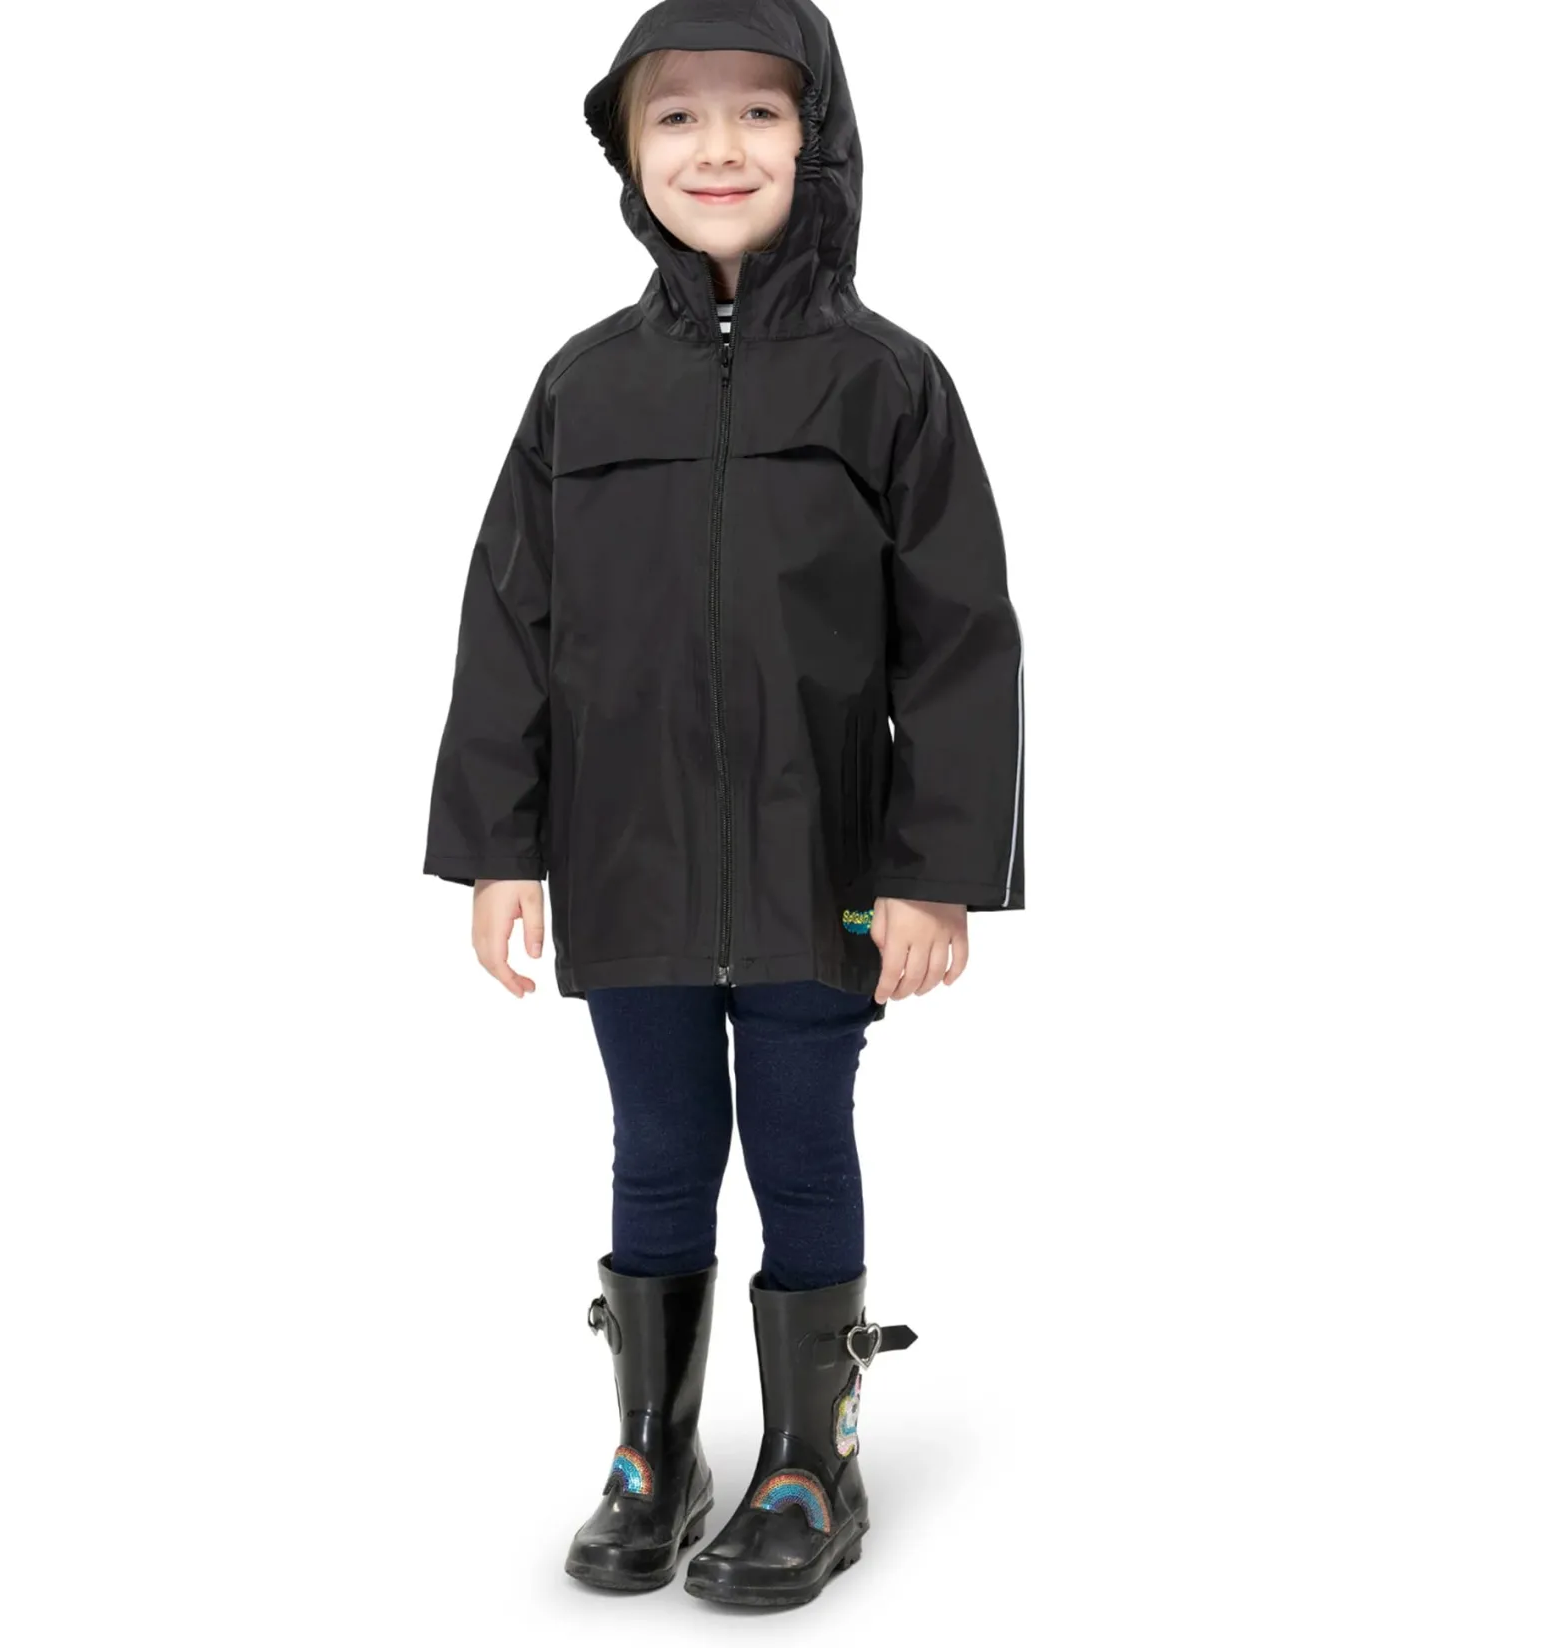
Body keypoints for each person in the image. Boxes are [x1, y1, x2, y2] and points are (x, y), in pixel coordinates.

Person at [423, 0, 1023, 1609]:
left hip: (821, 855)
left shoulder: (890, 385)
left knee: (802, 1139)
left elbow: (962, 640)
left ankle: (812, 1459)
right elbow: (511, 622)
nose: (718, 148)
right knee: (662, 1142)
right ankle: (655, 1450)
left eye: (758, 112)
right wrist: (498, 848)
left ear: (819, 140)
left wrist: (936, 871)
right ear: (628, 150)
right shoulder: (582, 388)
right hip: (624, 851)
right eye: (675, 116)